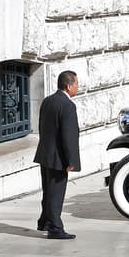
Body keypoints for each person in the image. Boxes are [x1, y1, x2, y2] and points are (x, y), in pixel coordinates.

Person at [34, 71, 81, 240]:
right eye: (76, 84)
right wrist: (70, 161)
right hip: (58, 157)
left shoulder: (48, 101)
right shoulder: (68, 106)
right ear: (69, 86)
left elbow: (41, 127)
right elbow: (68, 136)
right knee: (56, 193)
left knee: (48, 190)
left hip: (45, 153)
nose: (78, 87)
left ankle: (44, 221)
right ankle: (55, 228)